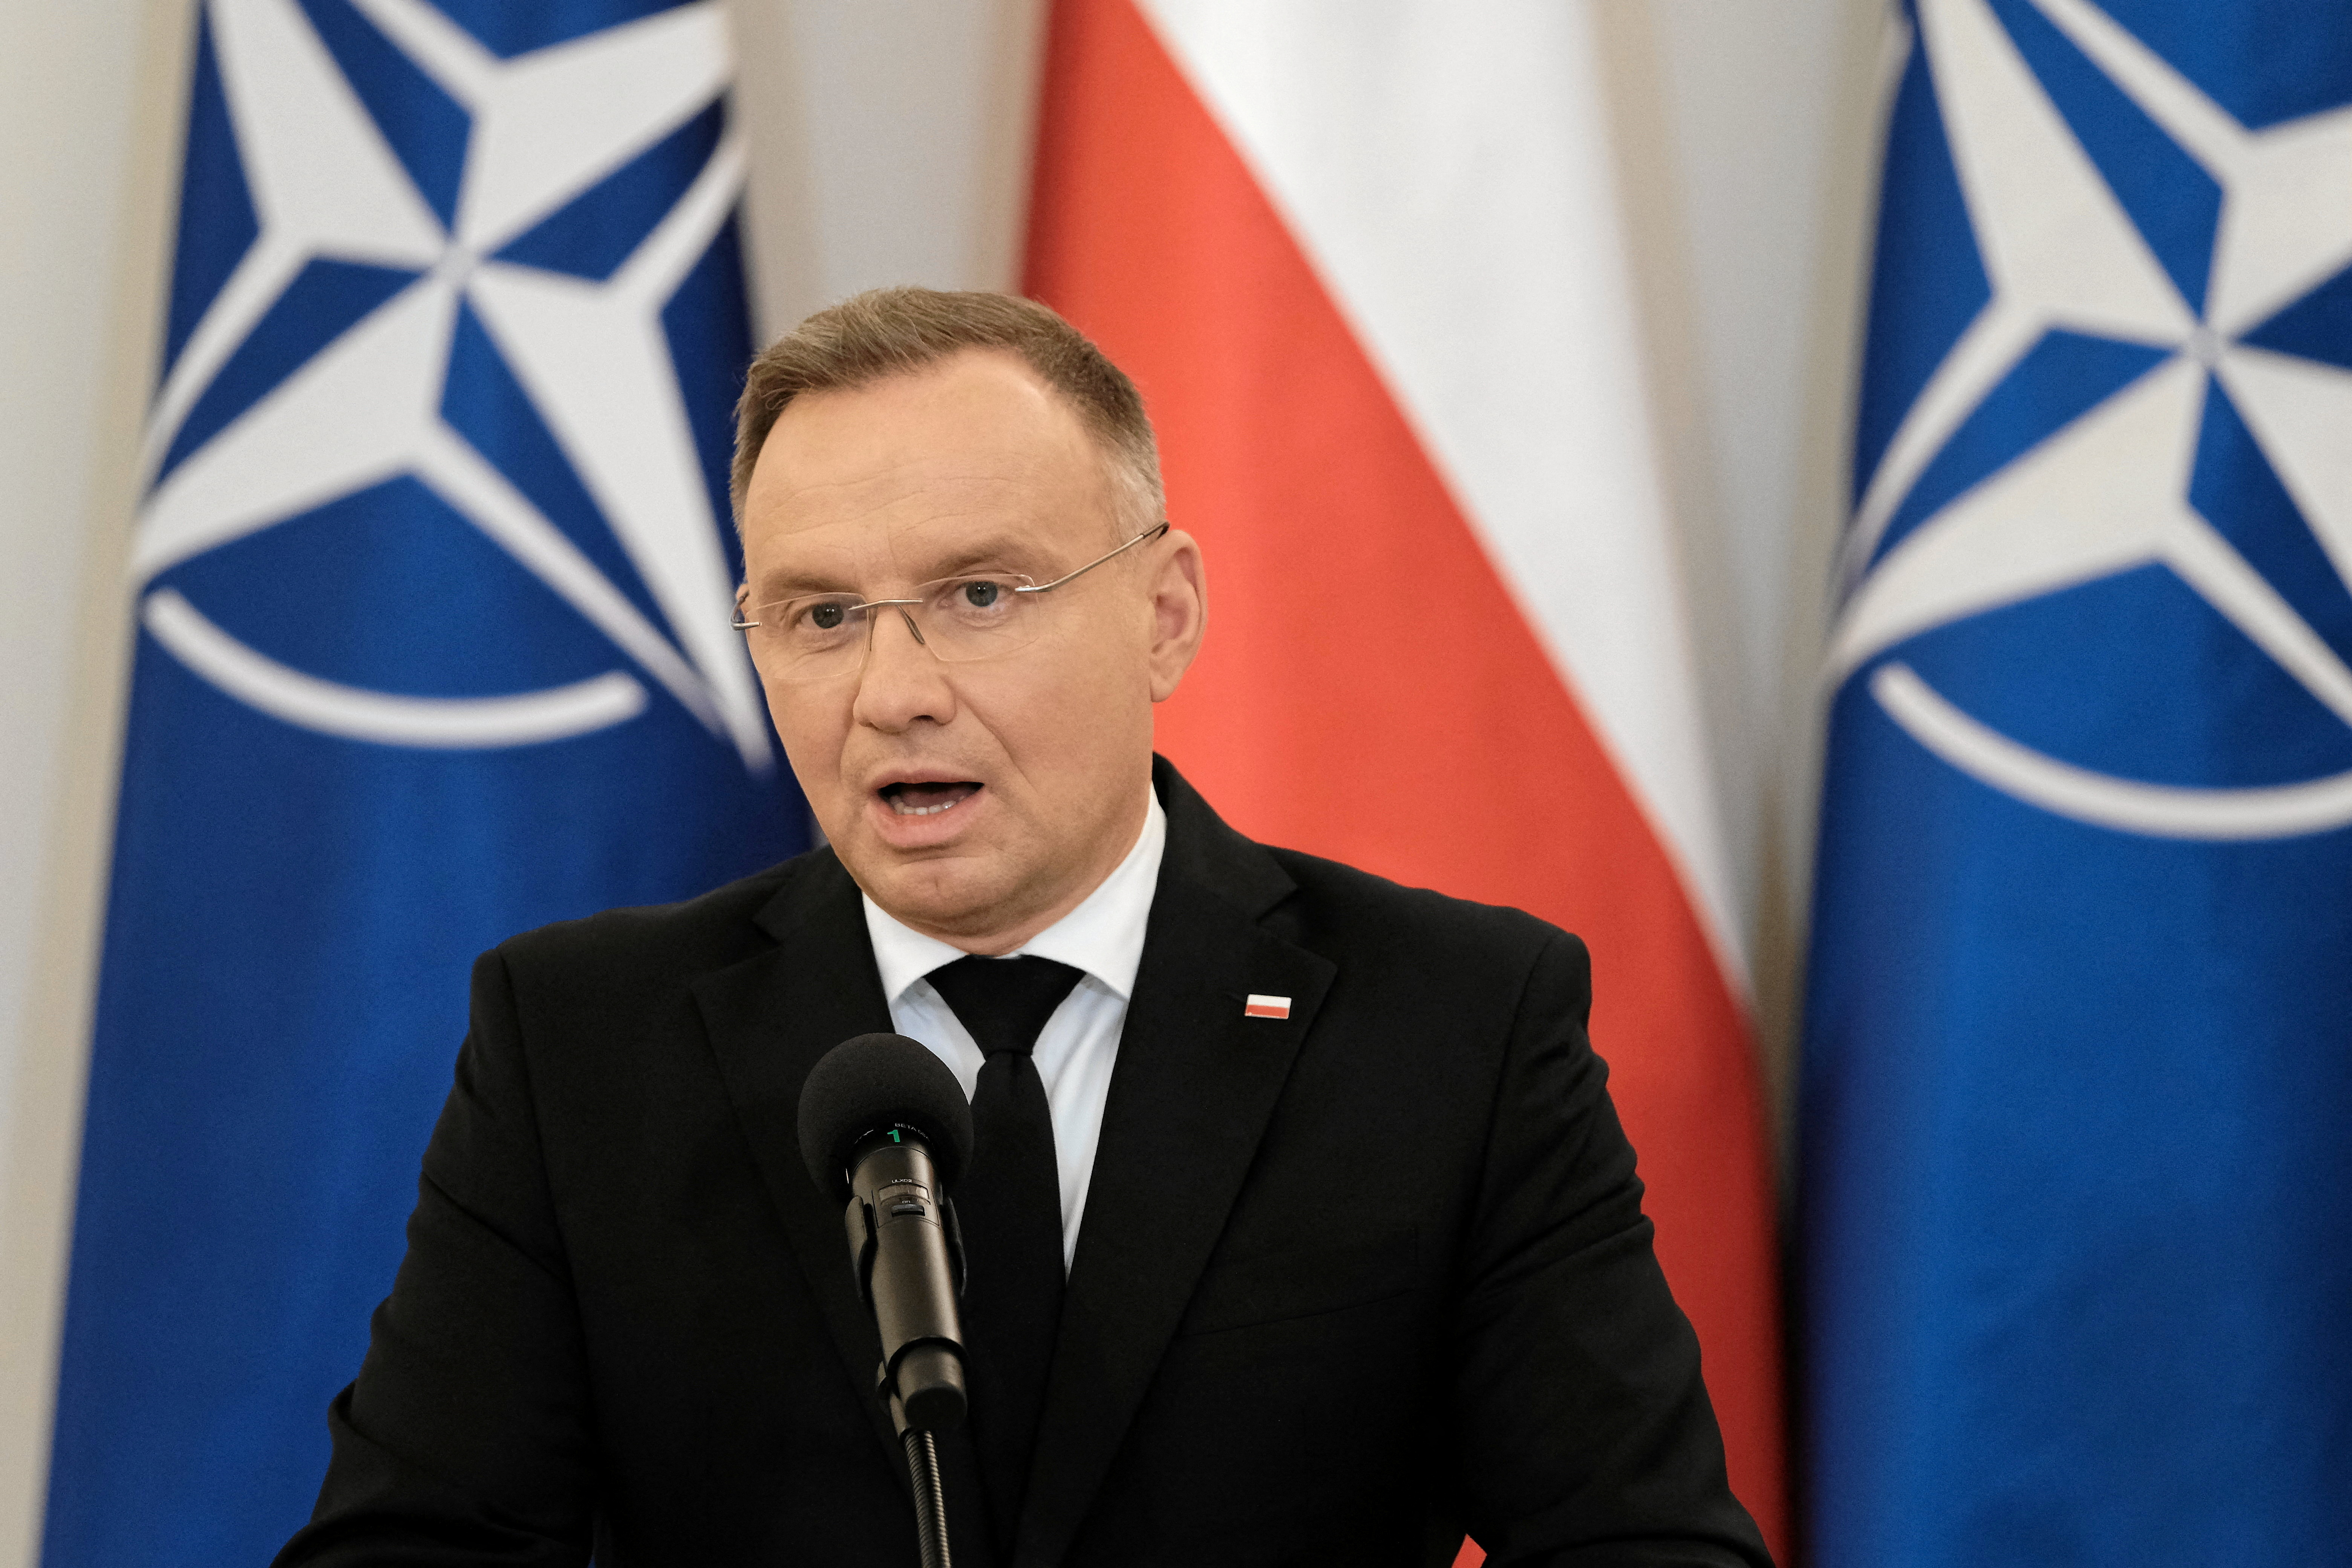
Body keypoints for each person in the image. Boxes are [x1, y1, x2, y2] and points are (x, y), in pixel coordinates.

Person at [274, 288, 1771, 1567]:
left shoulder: (1454, 1022)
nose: (893, 689)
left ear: (1167, 613)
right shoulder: (582, 1042)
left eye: (977, 591)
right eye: (820, 615)